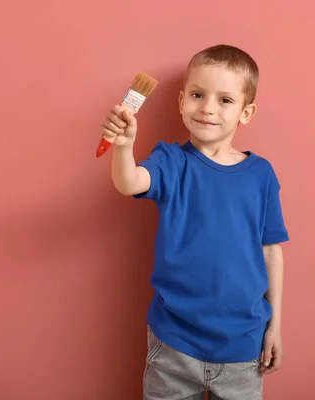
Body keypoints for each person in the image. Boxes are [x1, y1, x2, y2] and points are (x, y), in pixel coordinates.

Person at [100, 44, 289, 400]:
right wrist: (124, 148)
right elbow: (130, 183)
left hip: (243, 348)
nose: (207, 108)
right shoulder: (170, 161)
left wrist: (275, 325)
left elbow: (271, 251)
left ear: (246, 112)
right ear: (181, 100)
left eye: (225, 100)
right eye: (199, 95)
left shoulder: (261, 175)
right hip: (173, 344)